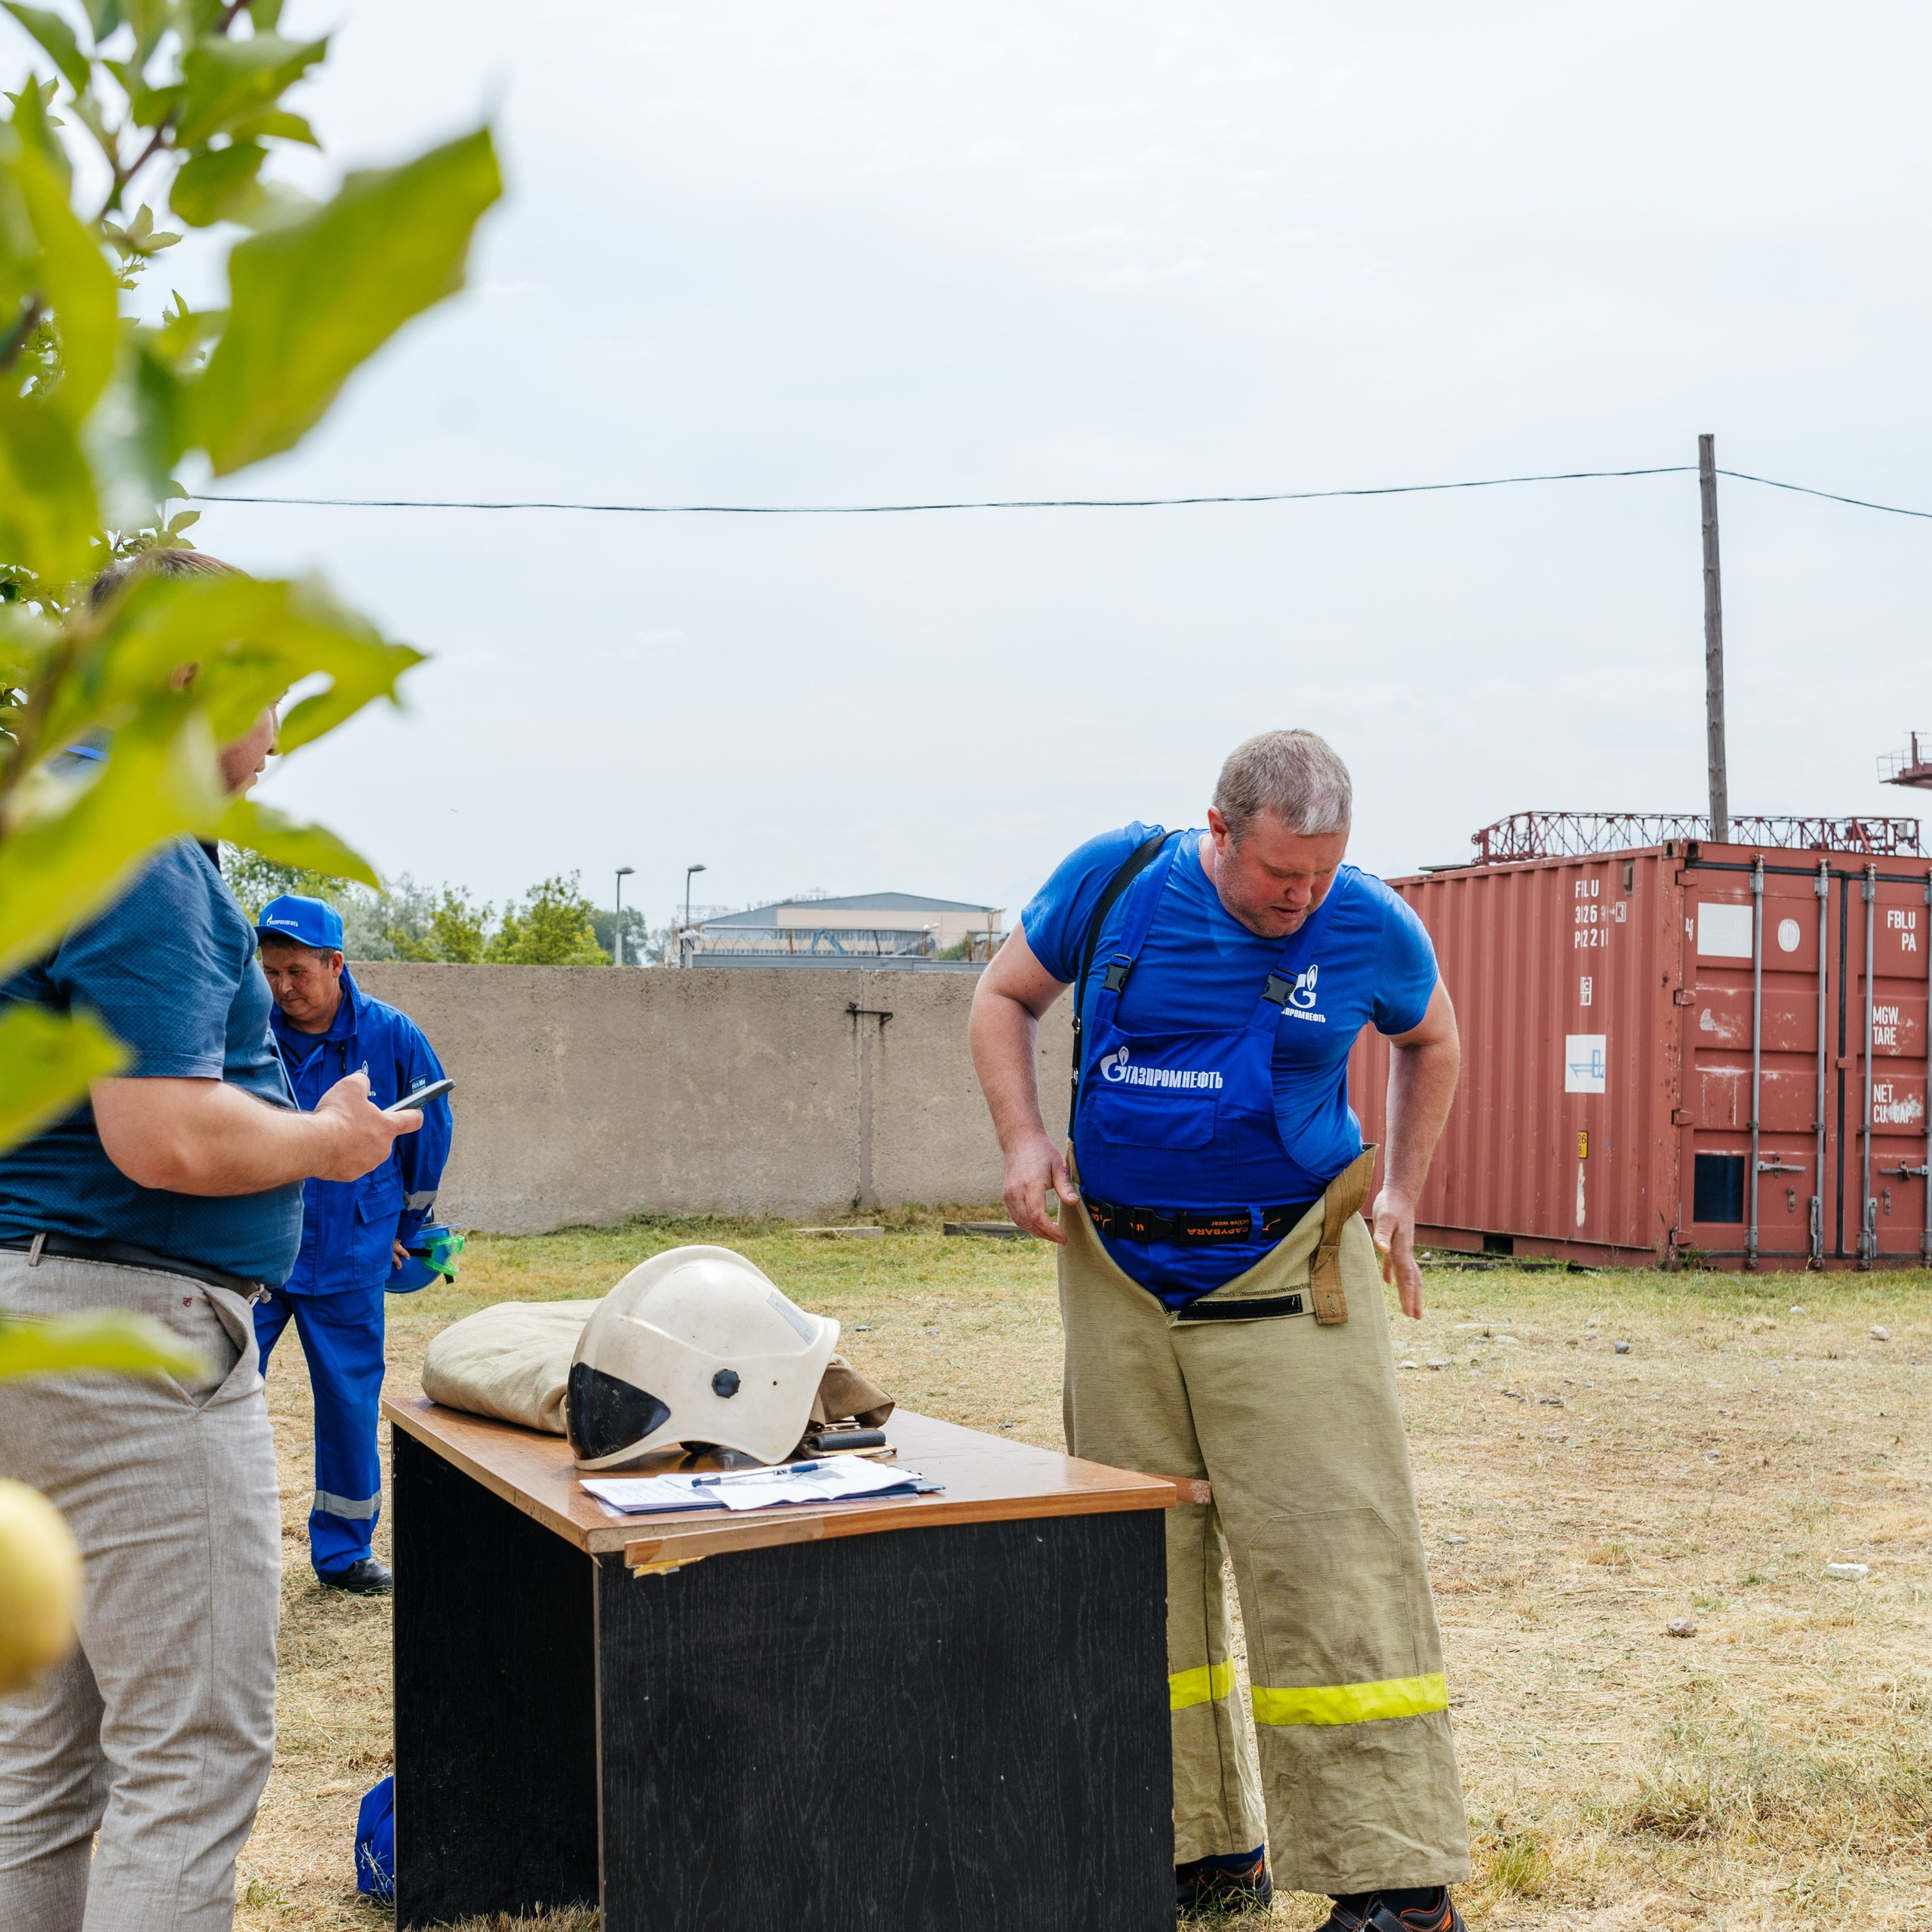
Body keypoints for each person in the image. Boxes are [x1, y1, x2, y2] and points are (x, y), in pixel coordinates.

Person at [969, 729, 1470, 1932]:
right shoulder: (1114, 879)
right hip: (1121, 1276)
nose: (1302, 900)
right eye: (1279, 875)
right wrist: (1025, 1143)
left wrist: (1401, 1192)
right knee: (1138, 1568)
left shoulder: (1369, 925)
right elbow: (1002, 998)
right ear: (1219, 829)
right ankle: (1193, 1847)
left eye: (1323, 874)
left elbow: (1431, 1042)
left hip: (1292, 1272)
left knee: (1329, 1561)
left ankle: (1392, 1885)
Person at [0, 549, 423, 1932]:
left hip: (30, 1324)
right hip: (127, 1342)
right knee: (187, 1760)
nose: (275, 738)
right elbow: (166, 1137)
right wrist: (329, 1142)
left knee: (42, 1765)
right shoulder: (138, 838)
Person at [252, 894, 453, 1593]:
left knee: (347, 1405)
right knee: (219, 1393)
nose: (281, 986)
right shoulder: (248, 1029)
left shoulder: (392, 1037)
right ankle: (215, 1546)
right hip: (257, 1254)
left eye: (297, 971)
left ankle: (343, 1555)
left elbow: (432, 1131)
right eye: (271, 971)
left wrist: (408, 1227)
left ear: (336, 964)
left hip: (351, 1252)